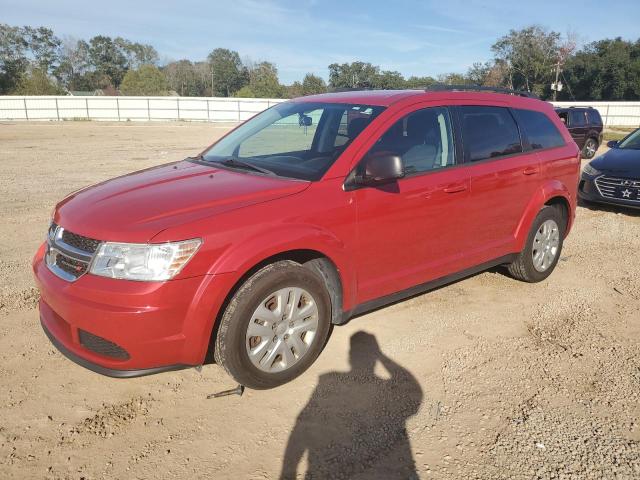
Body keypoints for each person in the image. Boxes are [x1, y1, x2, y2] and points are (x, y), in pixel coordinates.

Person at [280, 331, 423, 479]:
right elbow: (414, 392)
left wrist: (287, 472)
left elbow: (301, 423)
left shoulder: (328, 381)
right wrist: (380, 355)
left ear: (349, 357)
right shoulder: (379, 386)